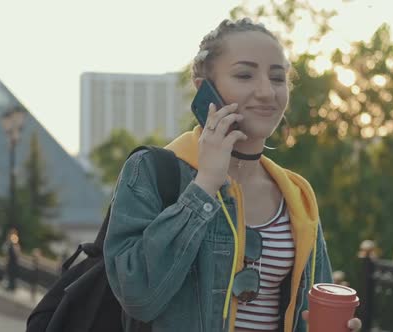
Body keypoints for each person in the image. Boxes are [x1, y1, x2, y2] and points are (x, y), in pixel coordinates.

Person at [104, 18, 362, 332]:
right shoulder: (152, 170)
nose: (267, 92)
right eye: (244, 75)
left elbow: (310, 311)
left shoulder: (297, 193)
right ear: (205, 90)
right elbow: (138, 296)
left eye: (278, 78)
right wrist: (205, 186)